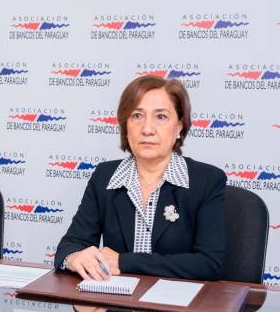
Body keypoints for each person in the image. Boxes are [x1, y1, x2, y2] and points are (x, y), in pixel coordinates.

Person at [55, 75, 226, 281]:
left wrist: (124, 261)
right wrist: (74, 258)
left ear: (180, 126)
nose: (147, 129)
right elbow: (70, 245)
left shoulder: (206, 180)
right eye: (137, 116)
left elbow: (210, 264)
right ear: (125, 125)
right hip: (116, 304)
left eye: (161, 117)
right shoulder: (105, 176)